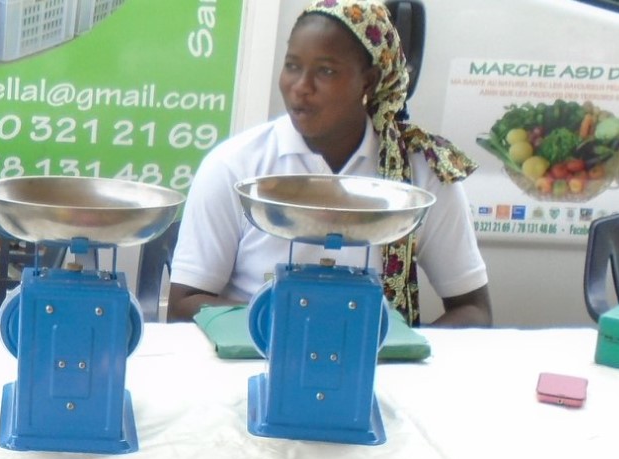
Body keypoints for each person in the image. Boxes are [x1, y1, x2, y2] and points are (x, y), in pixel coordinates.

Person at [168, 0, 492, 327]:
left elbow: (474, 310)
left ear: (368, 81)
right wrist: (284, 329)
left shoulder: (420, 173)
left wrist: (400, 352)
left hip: (378, 370)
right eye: (292, 65)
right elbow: (184, 303)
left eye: (326, 71)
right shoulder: (234, 166)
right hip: (255, 357)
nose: (301, 87)